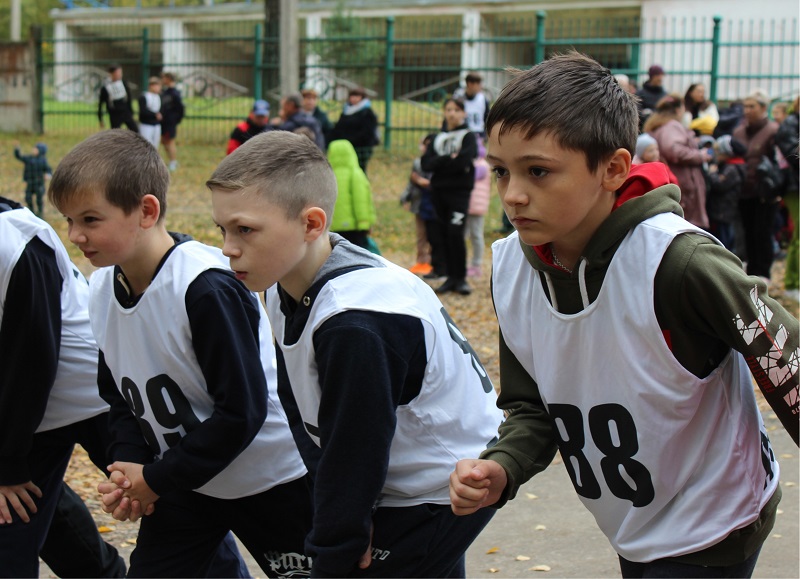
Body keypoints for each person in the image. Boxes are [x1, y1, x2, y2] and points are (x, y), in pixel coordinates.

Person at [449, 52, 798, 579]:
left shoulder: (678, 262)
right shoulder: (513, 269)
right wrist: (504, 463)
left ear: (613, 169)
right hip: (632, 526)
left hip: (714, 524)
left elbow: (786, 360)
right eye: (501, 171)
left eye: (538, 171)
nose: (512, 195)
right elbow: (534, 404)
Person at [207, 130, 504, 578]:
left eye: (245, 229)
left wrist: (337, 545)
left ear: (311, 224)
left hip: (445, 483)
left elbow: (356, 450)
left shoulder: (357, 321)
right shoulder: (281, 278)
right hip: (400, 475)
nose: (228, 248)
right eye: (223, 229)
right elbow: (303, 406)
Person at [47, 130, 313, 578]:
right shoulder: (99, 291)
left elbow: (240, 414)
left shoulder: (205, 287)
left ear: (147, 211)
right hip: (187, 486)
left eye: (91, 219)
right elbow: (117, 395)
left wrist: (153, 480)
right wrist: (130, 460)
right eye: (69, 220)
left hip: (268, 481)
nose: (75, 235)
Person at [0, 196, 123, 578]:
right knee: (28, 513)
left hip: (90, 391)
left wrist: (7, 464)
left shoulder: (11, 241)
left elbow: (32, 356)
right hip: (27, 410)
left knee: (170, 508)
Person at [421, 97, 477, 295]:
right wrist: (446, 159)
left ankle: (460, 277)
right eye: (448, 109)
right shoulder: (437, 138)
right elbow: (426, 164)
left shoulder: (468, 137)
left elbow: (463, 163)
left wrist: (441, 164)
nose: (451, 113)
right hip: (439, 192)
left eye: (456, 109)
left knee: (455, 232)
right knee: (443, 233)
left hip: (459, 193)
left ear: (463, 113)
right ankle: (449, 277)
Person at [733, 90, 781, 282]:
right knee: (747, 232)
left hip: (764, 192)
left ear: (763, 108)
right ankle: (751, 273)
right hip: (743, 190)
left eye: (752, 106)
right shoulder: (738, 131)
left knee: (763, 232)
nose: (747, 110)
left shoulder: (773, 130)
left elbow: (779, 162)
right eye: (745, 106)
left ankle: (763, 272)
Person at [645, 93, 712, 229]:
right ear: (677, 110)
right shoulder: (672, 126)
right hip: (682, 182)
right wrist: (700, 155)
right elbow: (673, 149)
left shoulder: (658, 125)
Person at [327, 139, 376, 249]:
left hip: (333, 228)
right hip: (353, 227)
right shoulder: (355, 173)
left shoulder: (327, 176)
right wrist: (364, 223)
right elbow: (361, 200)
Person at [775, 96, 799, 300]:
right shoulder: (790, 124)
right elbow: (793, 156)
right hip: (795, 186)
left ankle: (793, 282)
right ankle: (794, 283)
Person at [400, 135, 434, 276]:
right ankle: (421, 261)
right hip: (420, 204)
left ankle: (432, 261)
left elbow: (433, 183)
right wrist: (405, 198)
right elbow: (411, 182)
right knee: (421, 234)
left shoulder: (438, 162)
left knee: (433, 235)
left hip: (433, 205)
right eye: (424, 144)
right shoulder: (418, 163)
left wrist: (420, 181)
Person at [707, 134, 747, 251]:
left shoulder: (732, 168)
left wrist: (712, 174)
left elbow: (720, 184)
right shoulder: (731, 166)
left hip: (724, 210)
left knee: (725, 240)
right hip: (725, 210)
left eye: (718, 152)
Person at [329, 87, 379, 173]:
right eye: (352, 96)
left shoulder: (367, 113)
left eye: (357, 96)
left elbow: (368, 132)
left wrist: (351, 140)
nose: (354, 99)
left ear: (362, 97)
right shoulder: (346, 111)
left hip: (360, 148)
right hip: (345, 146)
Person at [465, 138, 490, 278]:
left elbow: (470, 175)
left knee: (476, 235)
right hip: (467, 205)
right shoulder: (475, 164)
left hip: (476, 206)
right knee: (464, 234)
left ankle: (476, 264)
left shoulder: (481, 166)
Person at [13, 141, 51, 217]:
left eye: (36, 149)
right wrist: (17, 149)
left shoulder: (43, 161)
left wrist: (48, 175)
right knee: (28, 197)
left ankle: (40, 213)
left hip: (39, 183)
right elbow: (19, 157)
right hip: (30, 182)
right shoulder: (29, 158)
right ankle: (31, 211)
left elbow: (48, 169)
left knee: (39, 199)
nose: (34, 150)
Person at [97, 64, 137, 131]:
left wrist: (131, 112)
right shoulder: (105, 88)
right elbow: (101, 104)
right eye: (117, 73)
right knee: (116, 133)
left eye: (120, 72)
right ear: (111, 73)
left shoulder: (124, 83)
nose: (120, 75)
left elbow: (129, 99)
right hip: (114, 114)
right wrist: (100, 119)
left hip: (125, 112)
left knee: (135, 130)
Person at [159, 71, 185, 172]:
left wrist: (176, 119)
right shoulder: (165, 92)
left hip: (170, 122)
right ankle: (171, 160)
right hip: (164, 122)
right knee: (164, 141)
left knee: (170, 141)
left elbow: (180, 109)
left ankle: (173, 162)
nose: (162, 80)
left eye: (164, 78)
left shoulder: (174, 93)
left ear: (168, 79)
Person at [453, 71, 490, 139]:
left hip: (479, 134)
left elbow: (487, 118)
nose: (481, 86)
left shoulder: (483, 99)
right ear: (470, 84)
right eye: (478, 84)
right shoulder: (458, 99)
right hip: (461, 134)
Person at [635, 64, 667, 128]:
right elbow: (638, 112)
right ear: (651, 76)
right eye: (657, 75)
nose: (660, 78)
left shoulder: (664, 94)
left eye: (662, 75)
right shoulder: (640, 93)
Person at [138, 76, 162, 148]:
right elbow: (143, 111)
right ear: (151, 86)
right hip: (146, 125)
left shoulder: (158, 97)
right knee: (146, 146)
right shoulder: (144, 96)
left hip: (156, 125)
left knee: (155, 146)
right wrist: (155, 115)